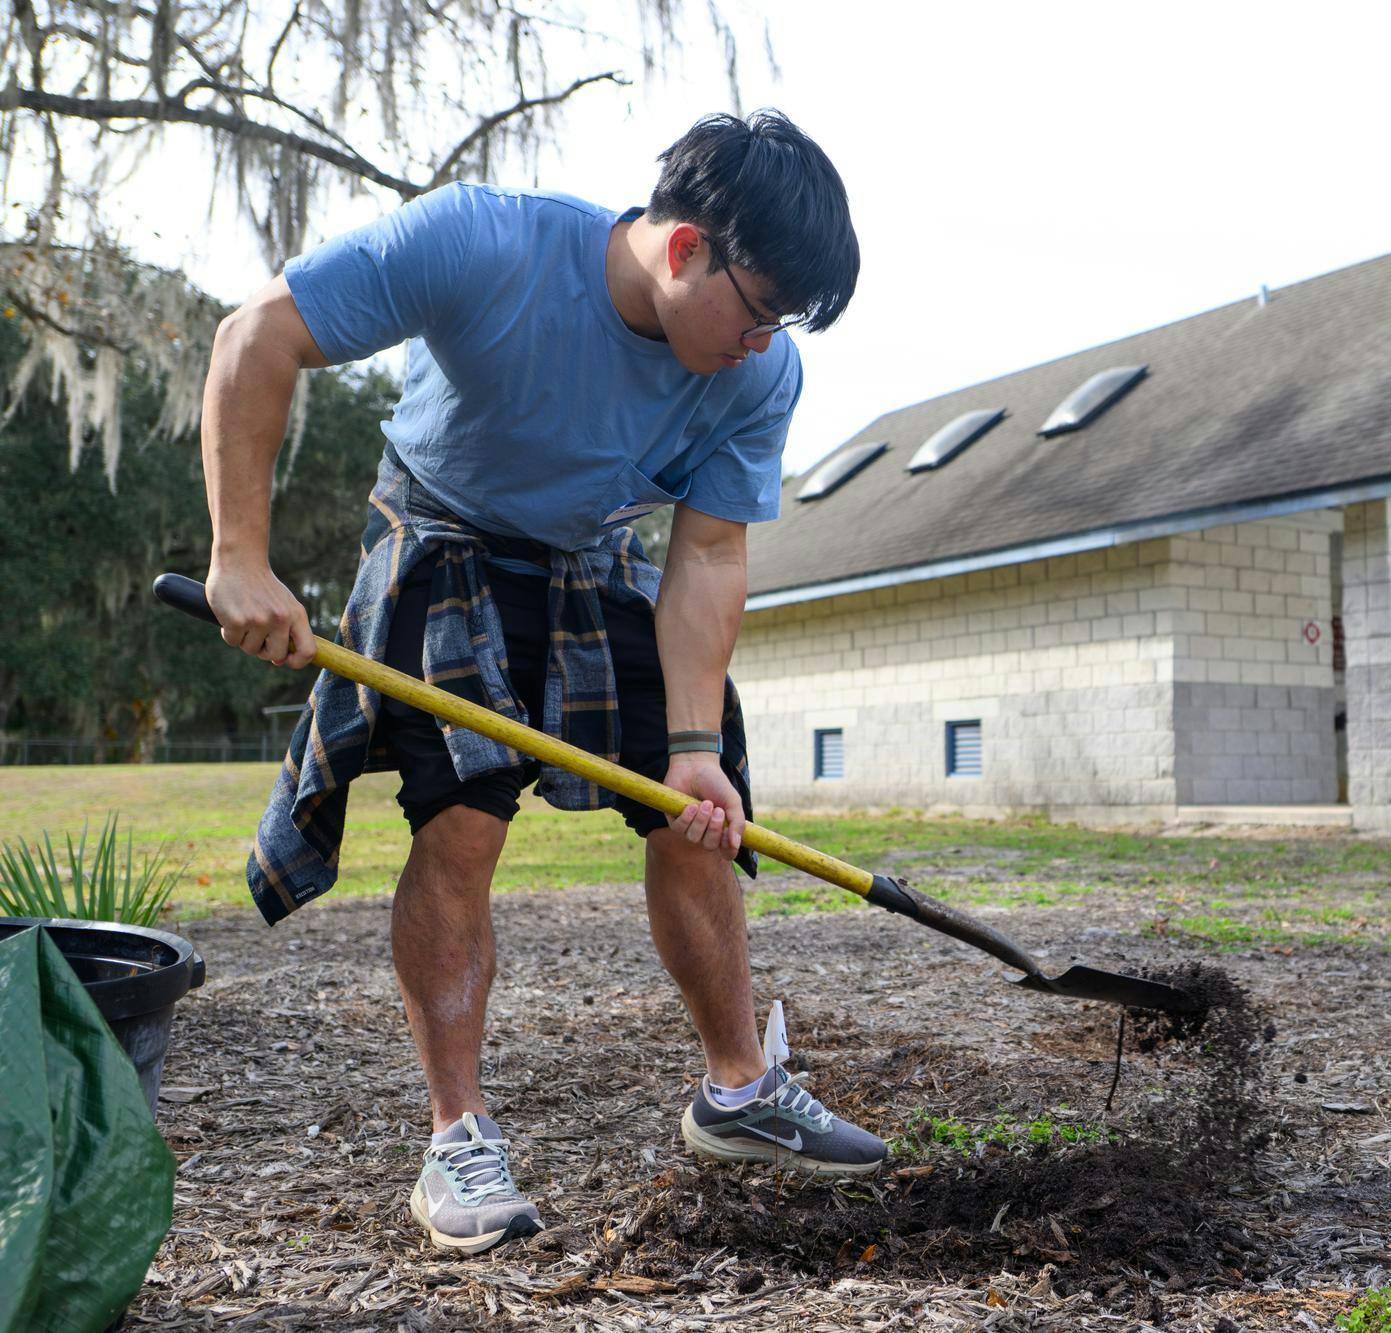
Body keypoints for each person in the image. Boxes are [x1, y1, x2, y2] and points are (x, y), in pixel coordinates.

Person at [199, 110, 884, 1255]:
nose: (766, 344)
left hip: (596, 553)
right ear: (683, 252)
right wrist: (239, 557)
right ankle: (455, 1136)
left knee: (696, 814)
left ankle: (738, 1091)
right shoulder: (483, 242)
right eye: (759, 310)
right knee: (462, 824)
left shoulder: (756, 376)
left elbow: (708, 552)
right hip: (443, 534)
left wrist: (694, 740)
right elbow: (254, 336)